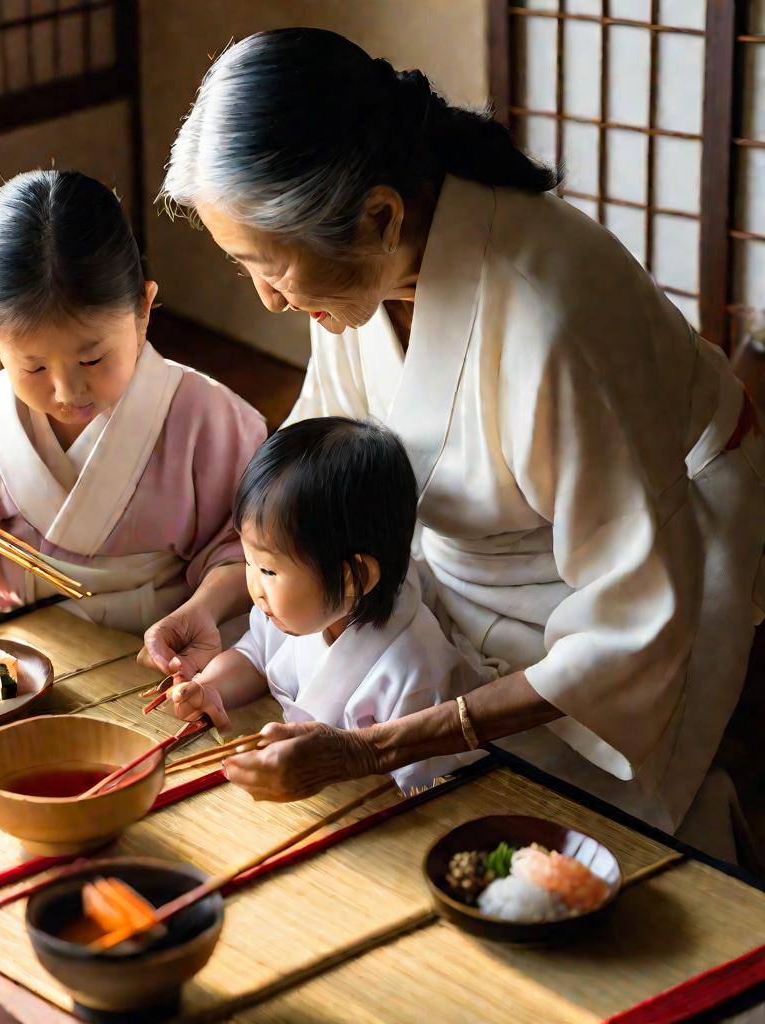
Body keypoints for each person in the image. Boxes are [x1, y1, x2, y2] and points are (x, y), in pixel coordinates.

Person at [148, 28, 765, 857]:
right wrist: (218, 598)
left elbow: (627, 622)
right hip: (457, 566)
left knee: (564, 844)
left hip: (640, 570)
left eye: (273, 268)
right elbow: (314, 480)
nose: (267, 302)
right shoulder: (358, 270)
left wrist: (377, 745)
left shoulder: (551, 319)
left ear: (379, 214)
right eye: (243, 267)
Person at [0, 169, 265, 637]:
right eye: (34, 367)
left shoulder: (212, 420)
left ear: (143, 310)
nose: (67, 392)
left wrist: (202, 613)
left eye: (92, 359)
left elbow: (250, 556)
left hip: (160, 649)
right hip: (20, 649)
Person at [172, 417, 484, 793]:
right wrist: (210, 688)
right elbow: (255, 656)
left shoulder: (413, 674)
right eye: (248, 561)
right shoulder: (296, 612)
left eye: (268, 569)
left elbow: (417, 782)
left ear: (355, 577)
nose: (253, 585)